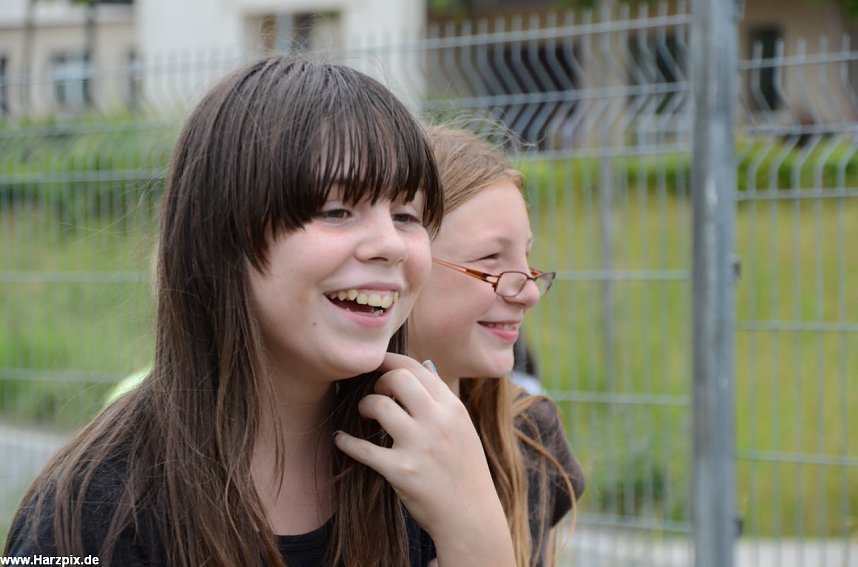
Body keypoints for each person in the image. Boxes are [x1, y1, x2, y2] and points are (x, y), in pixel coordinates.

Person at [4, 57, 516, 567]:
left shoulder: (425, 468)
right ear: (220, 236)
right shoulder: (91, 514)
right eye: (337, 210)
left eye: (407, 215)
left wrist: (477, 535)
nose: (391, 245)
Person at [408, 125, 586, 567]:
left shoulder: (524, 436)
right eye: (491, 260)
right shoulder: (310, 442)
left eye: (527, 259)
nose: (529, 292)